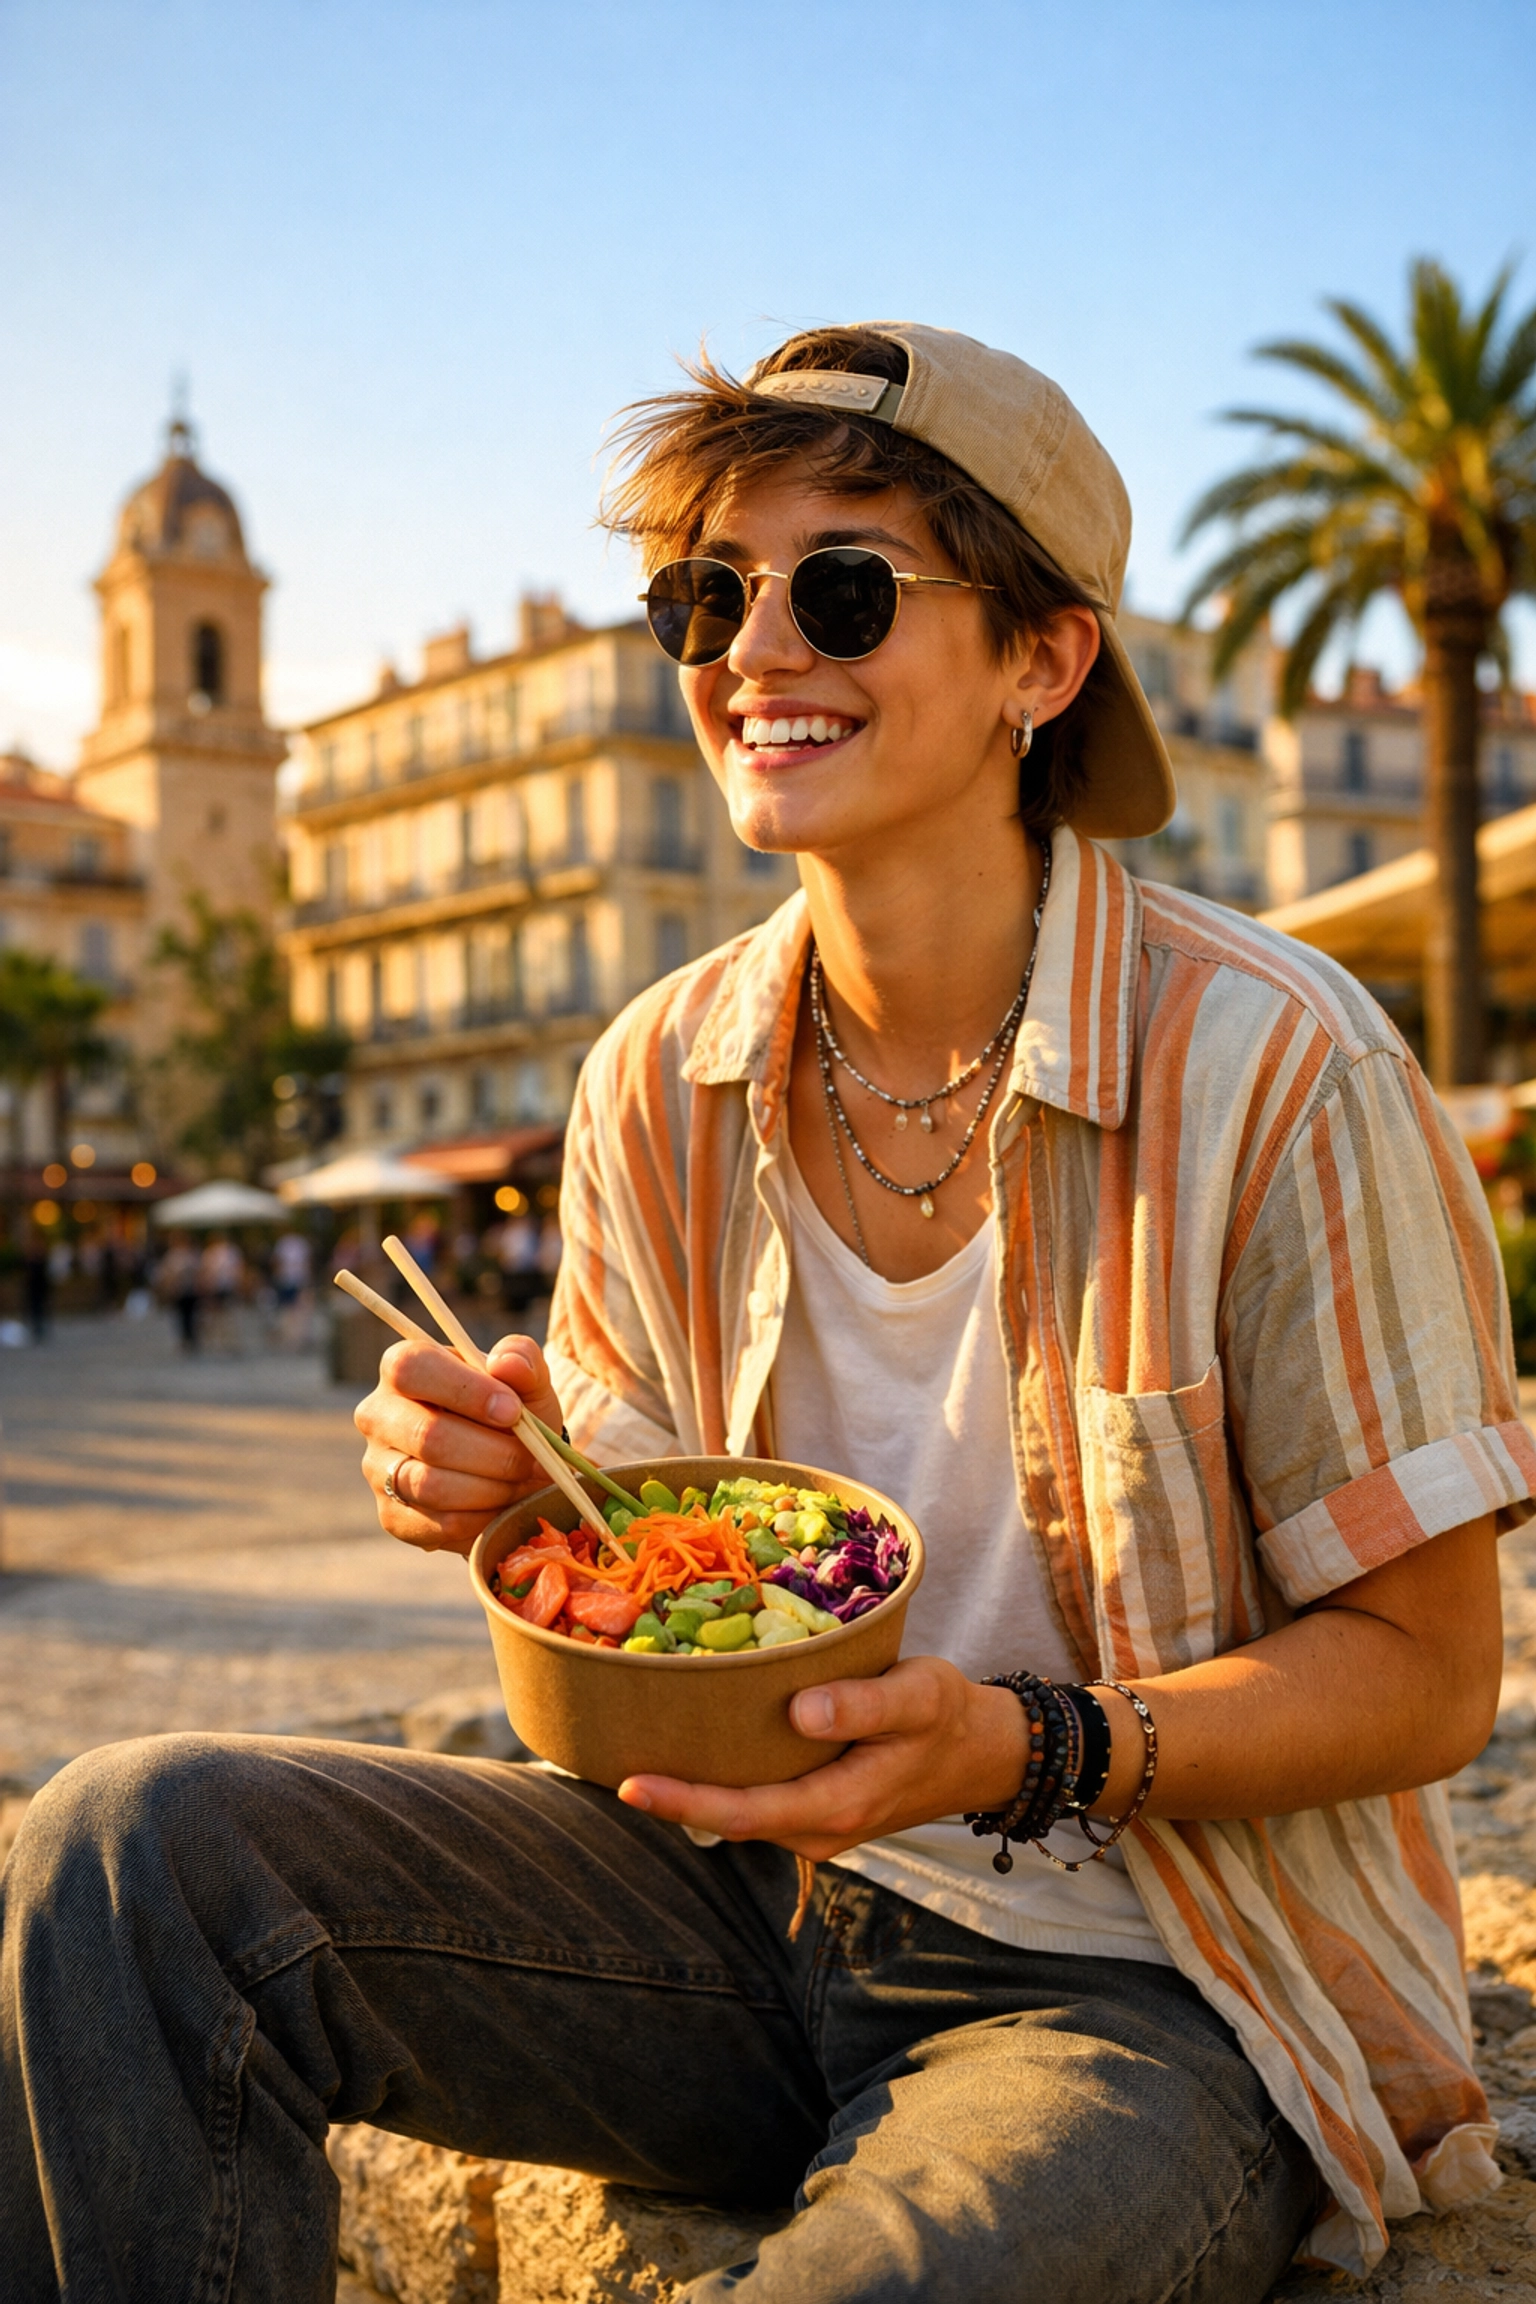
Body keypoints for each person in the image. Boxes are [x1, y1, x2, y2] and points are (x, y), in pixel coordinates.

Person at [4, 324, 1531, 2303]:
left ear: (1042, 665)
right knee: (123, 1849)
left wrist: (1016, 1743)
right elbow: (645, 1563)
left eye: (841, 590)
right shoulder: (657, 1074)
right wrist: (498, 1495)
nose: (750, 654)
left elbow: (1429, 1677)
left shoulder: (1286, 1071)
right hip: (724, 1919)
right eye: (707, 598)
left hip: (1135, 1979)